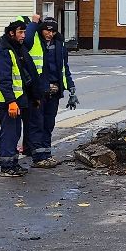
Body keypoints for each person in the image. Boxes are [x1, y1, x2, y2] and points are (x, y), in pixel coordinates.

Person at [26, 16, 76, 168]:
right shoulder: (33, 41)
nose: (50, 34)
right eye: (48, 31)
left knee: (48, 124)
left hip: (54, 90)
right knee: (37, 124)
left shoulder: (59, 44)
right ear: (42, 30)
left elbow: (64, 68)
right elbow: (27, 39)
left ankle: (46, 154)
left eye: (53, 31)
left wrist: (71, 89)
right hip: (38, 91)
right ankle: (38, 157)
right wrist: (34, 23)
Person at [0, 19, 32, 177]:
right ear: (11, 33)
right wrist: (11, 102)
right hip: (7, 101)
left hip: (15, 99)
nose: (23, 35)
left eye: (24, 32)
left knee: (15, 132)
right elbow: (5, 80)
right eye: (21, 32)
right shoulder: (4, 51)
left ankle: (13, 163)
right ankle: (7, 166)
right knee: (9, 133)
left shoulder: (14, 48)